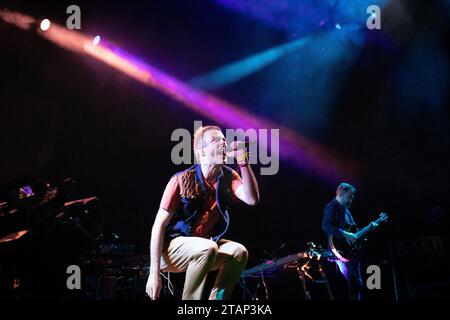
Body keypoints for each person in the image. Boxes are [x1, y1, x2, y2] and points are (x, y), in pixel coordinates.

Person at [146, 125, 260, 300]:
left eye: (224, 140)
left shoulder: (228, 177)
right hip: (169, 250)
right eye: (216, 140)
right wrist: (154, 275)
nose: (224, 143)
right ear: (202, 151)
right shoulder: (181, 179)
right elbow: (158, 226)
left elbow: (252, 199)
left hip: (205, 247)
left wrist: (243, 161)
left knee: (239, 252)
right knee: (208, 247)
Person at [322, 183, 362, 300]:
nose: (351, 200)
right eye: (349, 197)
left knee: (356, 283)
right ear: (340, 194)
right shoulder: (331, 207)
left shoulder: (346, 210)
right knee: (355, 282)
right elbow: (326, 226)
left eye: (352, 198)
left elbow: (352, 231)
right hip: (341, 252)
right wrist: (346, 234)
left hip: (349, 251)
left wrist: (369, 227)